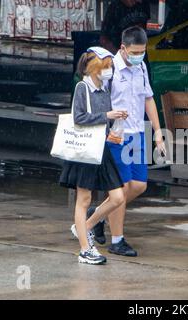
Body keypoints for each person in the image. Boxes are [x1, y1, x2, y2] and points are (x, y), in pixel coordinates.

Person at [89, 26, 166, 257]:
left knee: (139, 185)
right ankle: (117, 240)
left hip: (137, 135)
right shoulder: (108, 69)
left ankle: (98, 215)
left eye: (142, 51)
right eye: (135, 51)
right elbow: (97, 101)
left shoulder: (141, 66)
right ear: (123, 48)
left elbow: (148, 99)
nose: (139, 55)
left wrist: (158, 132)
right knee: (120, 190)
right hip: (116, 137)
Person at [59, 47, 128, 265]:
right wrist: (107, 115)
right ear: (94, 67)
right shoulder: (82, 87)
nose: (109, 71)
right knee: (84, 199)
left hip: (102, 147)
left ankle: (84, 228)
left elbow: (101, 120)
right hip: (85, 150)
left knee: (117, 196)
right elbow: (79, 118)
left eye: (110, 67)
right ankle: (85, 249)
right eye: (106, 66)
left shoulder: (104, 89)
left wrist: (114, 126)